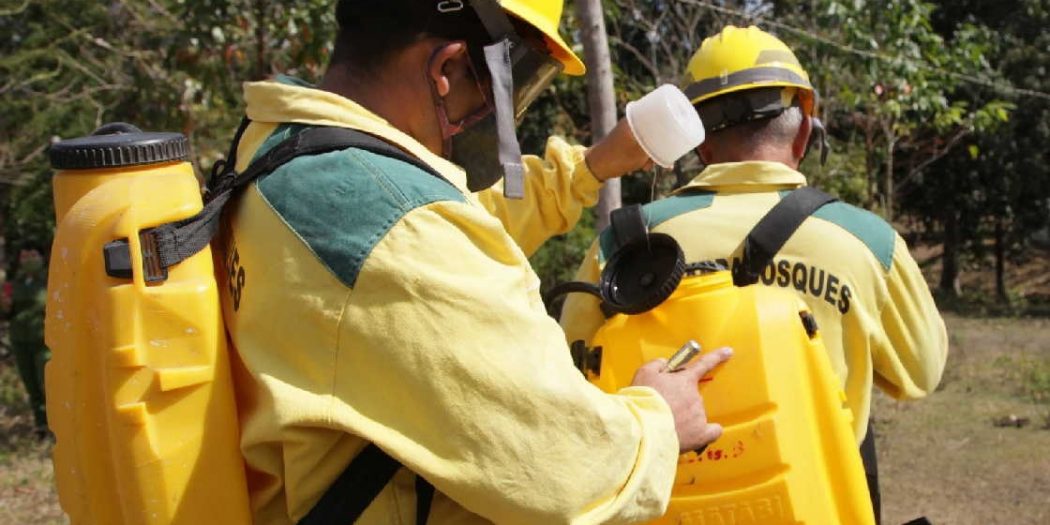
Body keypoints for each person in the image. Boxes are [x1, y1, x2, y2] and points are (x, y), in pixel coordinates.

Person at [218, 1, 730, 523]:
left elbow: (462, 216)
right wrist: (659, 419)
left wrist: (591, 167)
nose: (508, 113)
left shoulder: (286, 149)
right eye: (512, 85)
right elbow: (563, 472)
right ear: (447, 70)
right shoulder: (399, 236)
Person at [559, 25, 949, 522]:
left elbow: (571, 386)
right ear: (806, 129)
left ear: (696, 143)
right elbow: (921, 373)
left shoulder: (624, 244)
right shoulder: (866, 241)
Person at [6, 249, 50, 436]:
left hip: (43, 340)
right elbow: (8, 312)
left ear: (41, 258)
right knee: (31, 384)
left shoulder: (49, 279)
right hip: (20, 339)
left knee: (46, 383)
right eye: (24, 256)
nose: (28, 260)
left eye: (32, 255)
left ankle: (56, 425)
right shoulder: (15, 282)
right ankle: (41, 425)